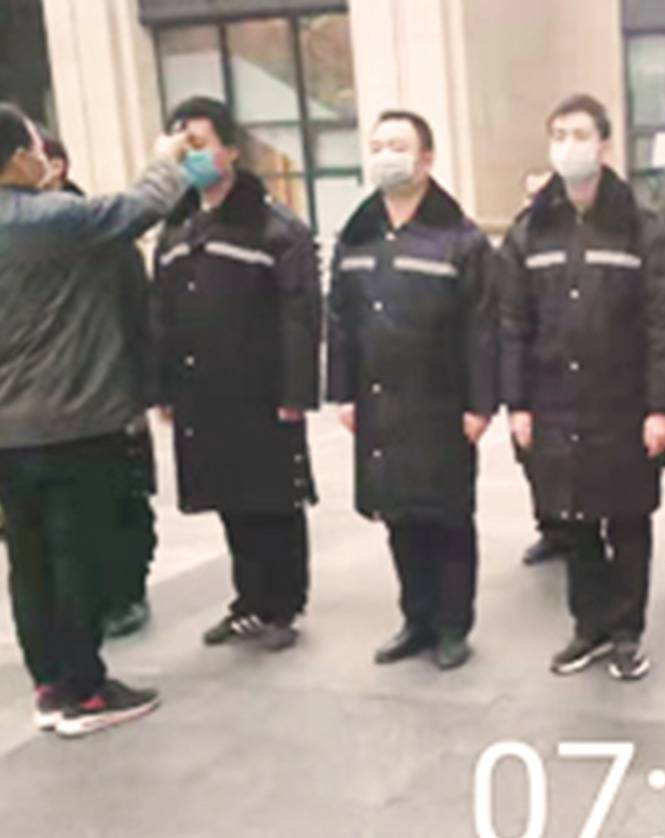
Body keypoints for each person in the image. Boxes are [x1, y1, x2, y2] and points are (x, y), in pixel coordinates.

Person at [0, 102, 190, 737]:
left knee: (28, 563)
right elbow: (143, 205)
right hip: (71, 423)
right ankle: (85, 691)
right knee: (75, 556)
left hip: (8, 435)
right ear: (18, 158)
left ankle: (50, 685)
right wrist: (165, 158)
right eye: (34, 147)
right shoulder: (47, 218)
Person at [499, 93, 665, 681]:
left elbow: (664, 324)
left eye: (580, 134)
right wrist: (517, 403)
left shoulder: (642, 229)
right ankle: (589, 628)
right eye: (559, 135)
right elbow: (512, 324)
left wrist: (661, 407)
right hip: (554, 404)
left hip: (624, 407)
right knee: (573, 521)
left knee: (628, 522)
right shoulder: (530, 231)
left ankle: (627, 632)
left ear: (605, 145)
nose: (568, 146)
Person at [151, 97, 321, 653]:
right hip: (203, 391)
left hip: (262, 391)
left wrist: (296, 390)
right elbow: (161, 312)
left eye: (200, 144)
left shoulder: (275, 227)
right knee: (230, 499)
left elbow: (300, 314)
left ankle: (282, 605)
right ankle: (249, 601)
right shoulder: (176, 228)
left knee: (273, 501)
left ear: (231, 150)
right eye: (182, 147)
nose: (191, 156)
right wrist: (164, 386)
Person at [328, 110, 496, 670]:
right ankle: (416, 619)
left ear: (427, 159)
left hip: (441, 402)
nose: (386, 156)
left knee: (447, 516)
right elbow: (339, 319)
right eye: (377, 145)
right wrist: (344, 392)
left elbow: (482, 327)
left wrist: (480, 404)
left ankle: (452, 625)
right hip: (379, 400)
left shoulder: (460, 239)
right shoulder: (356, 236)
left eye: (398, 146)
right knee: (398, 514)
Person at [41, 134, 158, 640]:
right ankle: (80, 604)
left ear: (57, 166)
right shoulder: (22, 232)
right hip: (46, 404)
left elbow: (137, 312)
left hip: (107, 391)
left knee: (121, 500)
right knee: (62, 519)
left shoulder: (99, 228)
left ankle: (124, 594)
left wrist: (142, 390)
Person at [515, 168, 573, 568]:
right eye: (530, 193)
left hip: (570, 369)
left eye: (543, 192)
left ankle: (576, 528)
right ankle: (550, 529)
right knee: (534, 461)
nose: (536, 200)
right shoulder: (518, 239)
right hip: (533, 372)